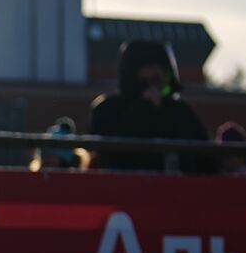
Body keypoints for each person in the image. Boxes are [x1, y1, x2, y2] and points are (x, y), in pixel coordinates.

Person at [88, 40, 215, 173]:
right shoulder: (107, 109)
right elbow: (109, 152)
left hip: (174, 188)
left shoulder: (181, 112)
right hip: (123, 187)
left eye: (161, 67)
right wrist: (145, 107)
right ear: (132, 69)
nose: (157, 73)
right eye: (149, 67)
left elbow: (205, 157)